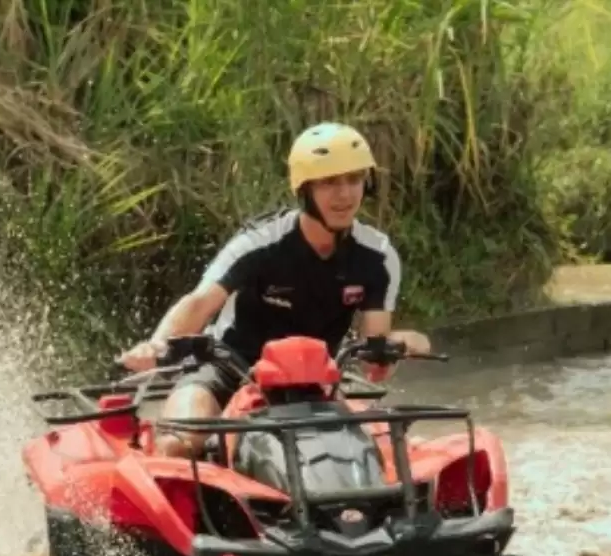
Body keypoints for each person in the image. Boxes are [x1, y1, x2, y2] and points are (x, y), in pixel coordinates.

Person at [117, 122, 431, 457]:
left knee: (369, 455)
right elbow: (199, 303)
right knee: (179, 445)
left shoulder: (378, 257)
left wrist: (392, 352)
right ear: (304, 190)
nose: (345, 194)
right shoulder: (260, 242)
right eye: (329, 182)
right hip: (227, 368)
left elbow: (372, 361)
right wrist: (157, 344)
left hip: (312, 383)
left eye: (354, 180)